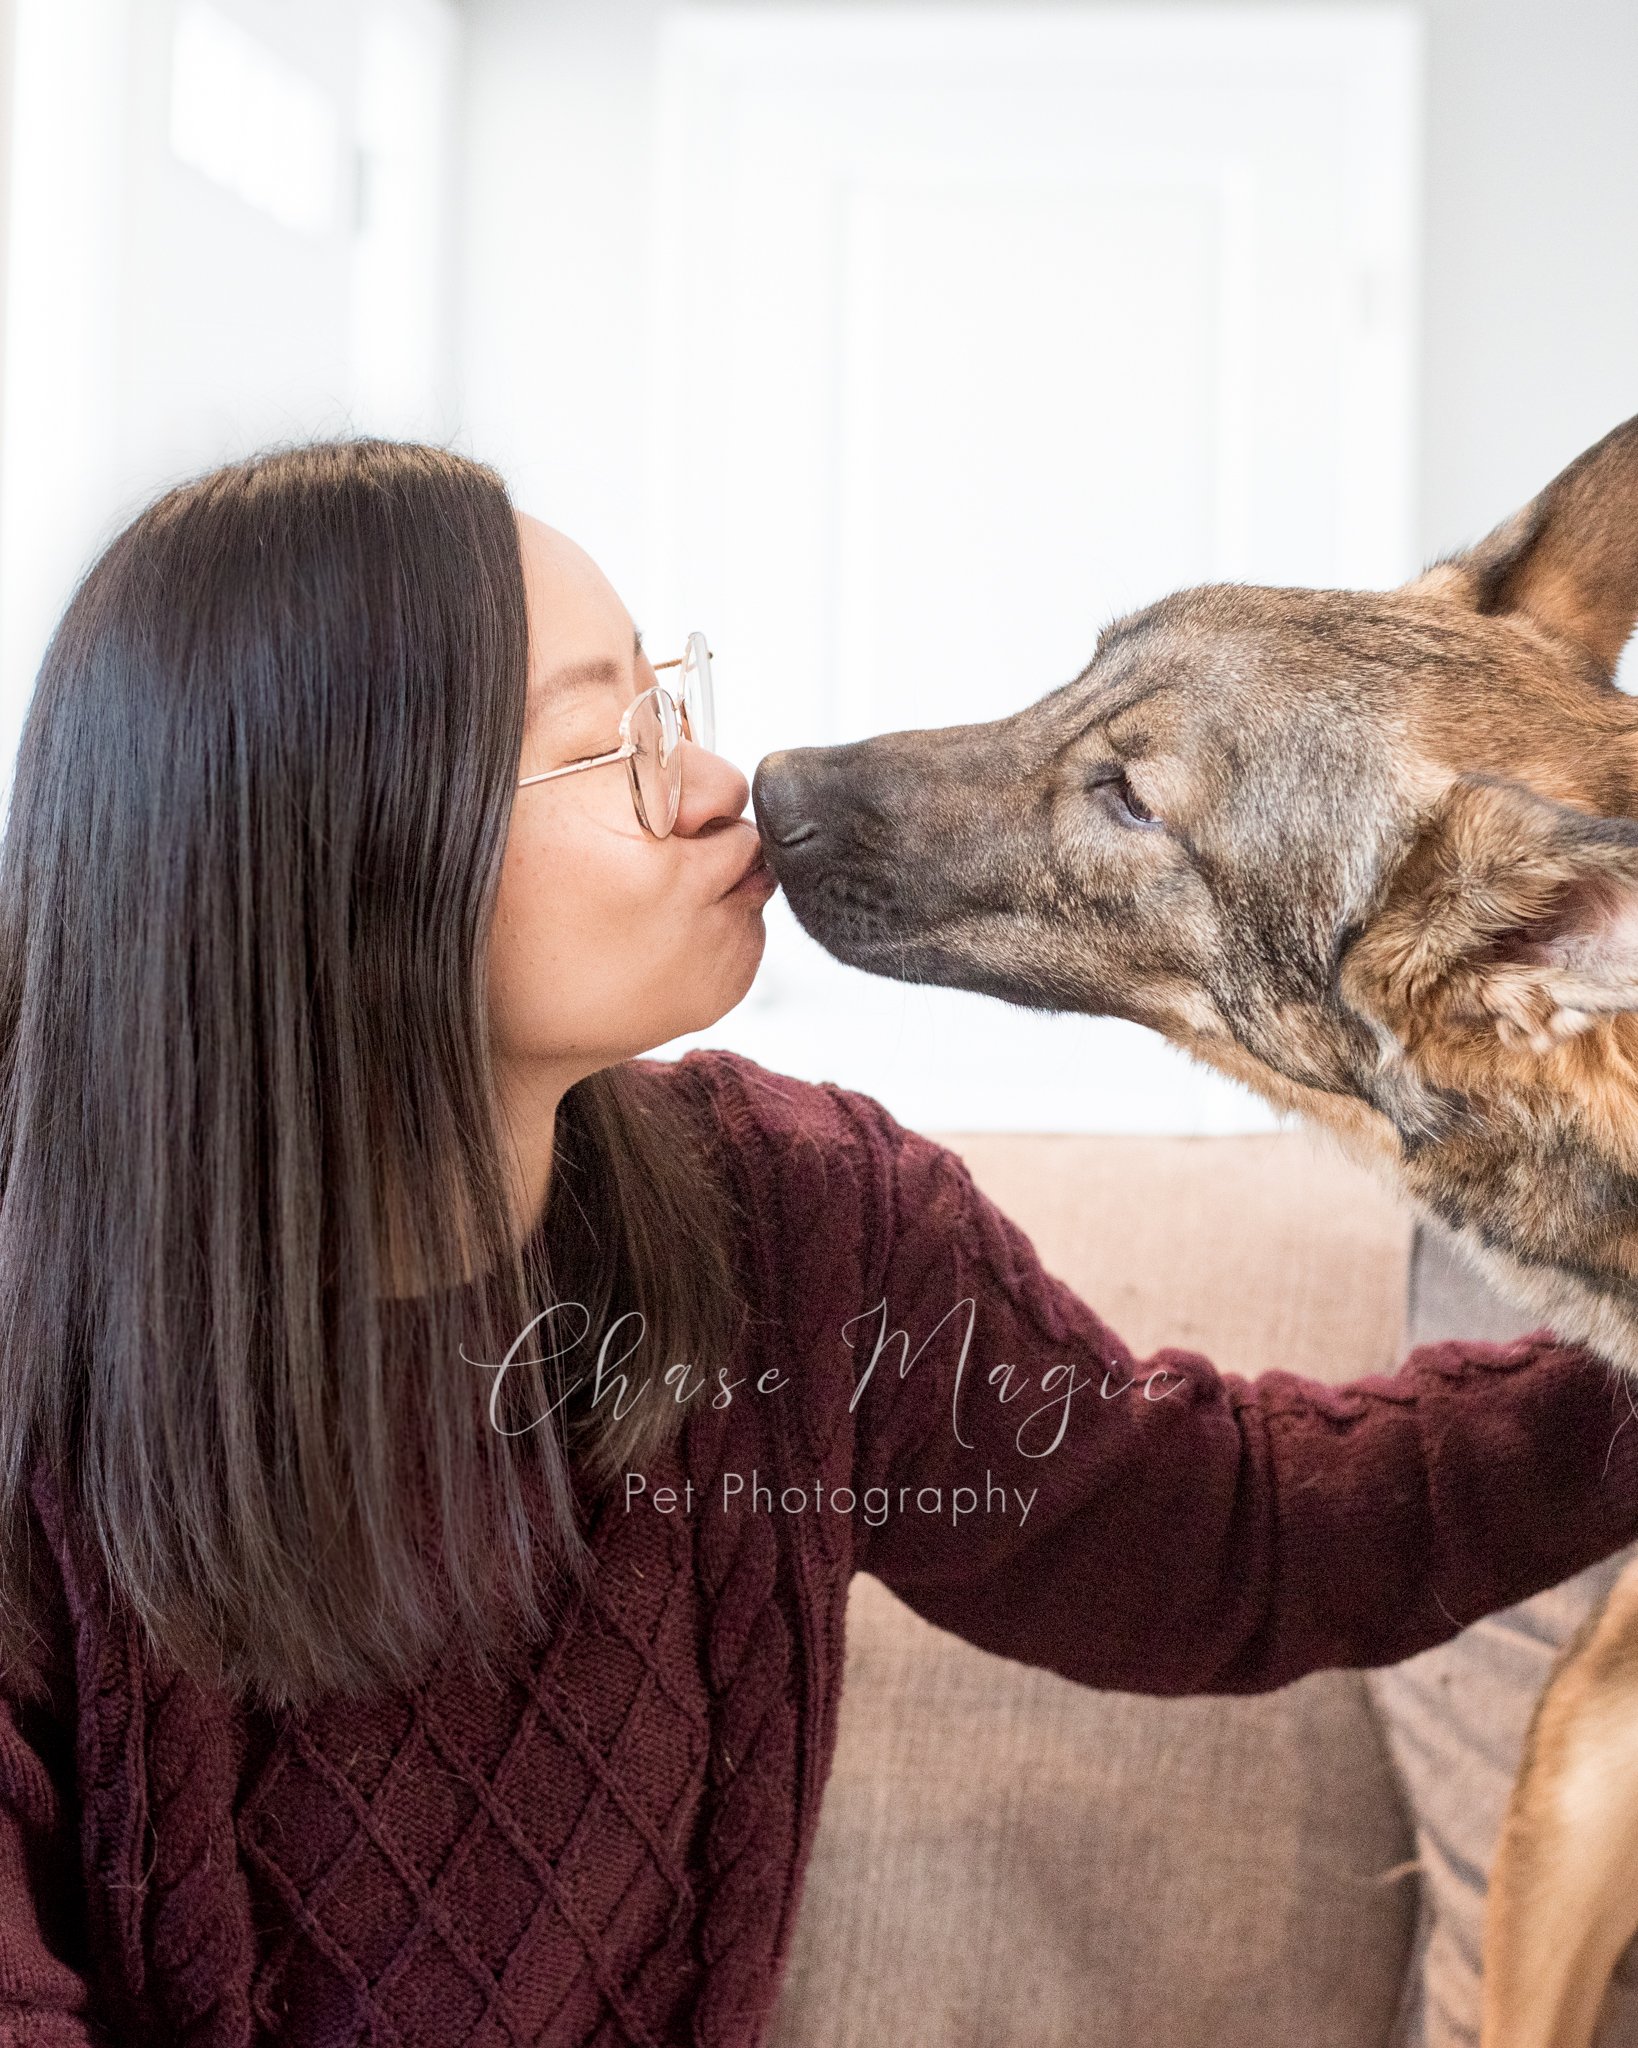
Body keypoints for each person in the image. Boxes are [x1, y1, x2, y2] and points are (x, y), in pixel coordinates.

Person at [0, 438, 1632, 2048]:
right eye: (612, 740)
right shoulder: (35, 1385)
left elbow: (1232, 1541)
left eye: (672, 694)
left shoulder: (794, 1224)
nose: (728, 782)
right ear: (344, 860)